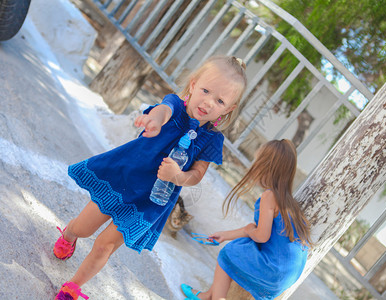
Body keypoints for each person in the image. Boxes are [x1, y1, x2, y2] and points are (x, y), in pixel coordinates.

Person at [53, 56, 247, 300]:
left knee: (105, 245)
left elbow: (197, 174)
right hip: (124, 179)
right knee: (84, 226)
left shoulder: (212, 139)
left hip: (151, 200)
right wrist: (153, 120)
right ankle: (69, 234)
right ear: (194, 84)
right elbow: (162, 111)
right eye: (206, 90)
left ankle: (73, 286)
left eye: (220, 100)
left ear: (228, 109)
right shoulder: (175, 106)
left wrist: (179, 176)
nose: (208, 102)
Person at [181, 139, 312, 300]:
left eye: (257, 162)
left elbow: (261, 236)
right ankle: (207, 295)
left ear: (266, 167)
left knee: (229, 254)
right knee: (239, 246)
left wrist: (249, 229)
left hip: (273, 269)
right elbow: (257, 233)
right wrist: (226, 235)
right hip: (285, 277)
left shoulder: (270, 197)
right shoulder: (290, 204)